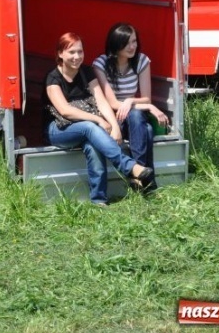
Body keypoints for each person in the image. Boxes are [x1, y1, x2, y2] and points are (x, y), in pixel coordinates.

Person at [43, 32, 153, 205]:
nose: (77, 57)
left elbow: (102, 102)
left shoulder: (87, 72)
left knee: (93, 146)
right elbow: (65, 111)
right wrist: (99, 120)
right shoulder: (53, 78)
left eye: (80, 52)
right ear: (60, 54)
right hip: (59, 130)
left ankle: (99, 200)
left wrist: (114, 126)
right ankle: (129, 167)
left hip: (85, 129)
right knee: (89, 127)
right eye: (71, 52)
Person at [93, 23, 168, 191]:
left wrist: (131, 101)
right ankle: (146, 178)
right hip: (114, 119)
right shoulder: (100, 64)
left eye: (134, 41)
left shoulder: (142, 61)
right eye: (127, 43)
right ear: (116, 44)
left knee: (135, 115)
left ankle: (138, 175)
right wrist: (147, 106)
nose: (132, 46)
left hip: (134, 116)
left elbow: (146, 98)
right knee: (147, 130)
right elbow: (112, 103)